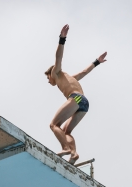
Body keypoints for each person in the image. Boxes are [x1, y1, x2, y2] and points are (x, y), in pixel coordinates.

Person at [45, 24, 107, 165]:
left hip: (76, 98)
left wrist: (62, 39)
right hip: (84, 103)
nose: (49, 81)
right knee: (66, 132)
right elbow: (84, 72)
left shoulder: (56, 72)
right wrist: (97, 62)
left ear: (51, 73)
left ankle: (66, 148)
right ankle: (73, 154)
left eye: (48, 78)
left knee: (53, 125)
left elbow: (58, 57)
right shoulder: (69, 78)